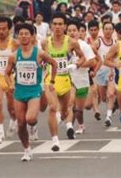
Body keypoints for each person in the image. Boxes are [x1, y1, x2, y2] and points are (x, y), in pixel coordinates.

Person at [4, 23, 57, 162]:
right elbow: (7, 73)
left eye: (26, 33)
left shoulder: (39, 53)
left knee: (30, 119)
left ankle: (34, 124)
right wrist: (10, 84)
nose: (23, 36)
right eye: (20, 34)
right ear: (17, 36)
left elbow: (54, 63)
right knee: (21, 123)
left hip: (34, 90)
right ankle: (27, 150)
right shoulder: (14, 56)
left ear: (33, 36)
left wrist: (51, 81)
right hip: (20, 91)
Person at [41, 13, 87, 146]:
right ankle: (55, 140)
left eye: (60, 24)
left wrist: (76, 64)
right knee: (52, 108)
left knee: (66, 111)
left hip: (66, 79)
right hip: (51, 79)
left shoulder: (71, 42)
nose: (57, 27)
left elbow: (82, 57)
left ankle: (64, 119)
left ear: (65, 26)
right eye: (55, 24)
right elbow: (41, 58)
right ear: (51, 26)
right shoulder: (45, 42)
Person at [0, 16, 19, 144]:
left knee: (12, 108)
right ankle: (0, 133)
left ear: (9, 29)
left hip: (11, 77)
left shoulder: (15, 43)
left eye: (4, 29)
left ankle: (14, 120)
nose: (1, 31)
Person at [94, 22, 117, 126]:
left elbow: (117, 58)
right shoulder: (98, 42)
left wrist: (113, 69)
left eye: (110, 29)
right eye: (106, 29)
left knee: (111, 94)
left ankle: (108, 117)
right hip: (100, 72)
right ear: (102, 31)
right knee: (103, 98)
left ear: (113, 31)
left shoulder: (116, 43)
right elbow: (90, 52)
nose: (108, 31)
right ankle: (113, 105)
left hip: (111, 72)